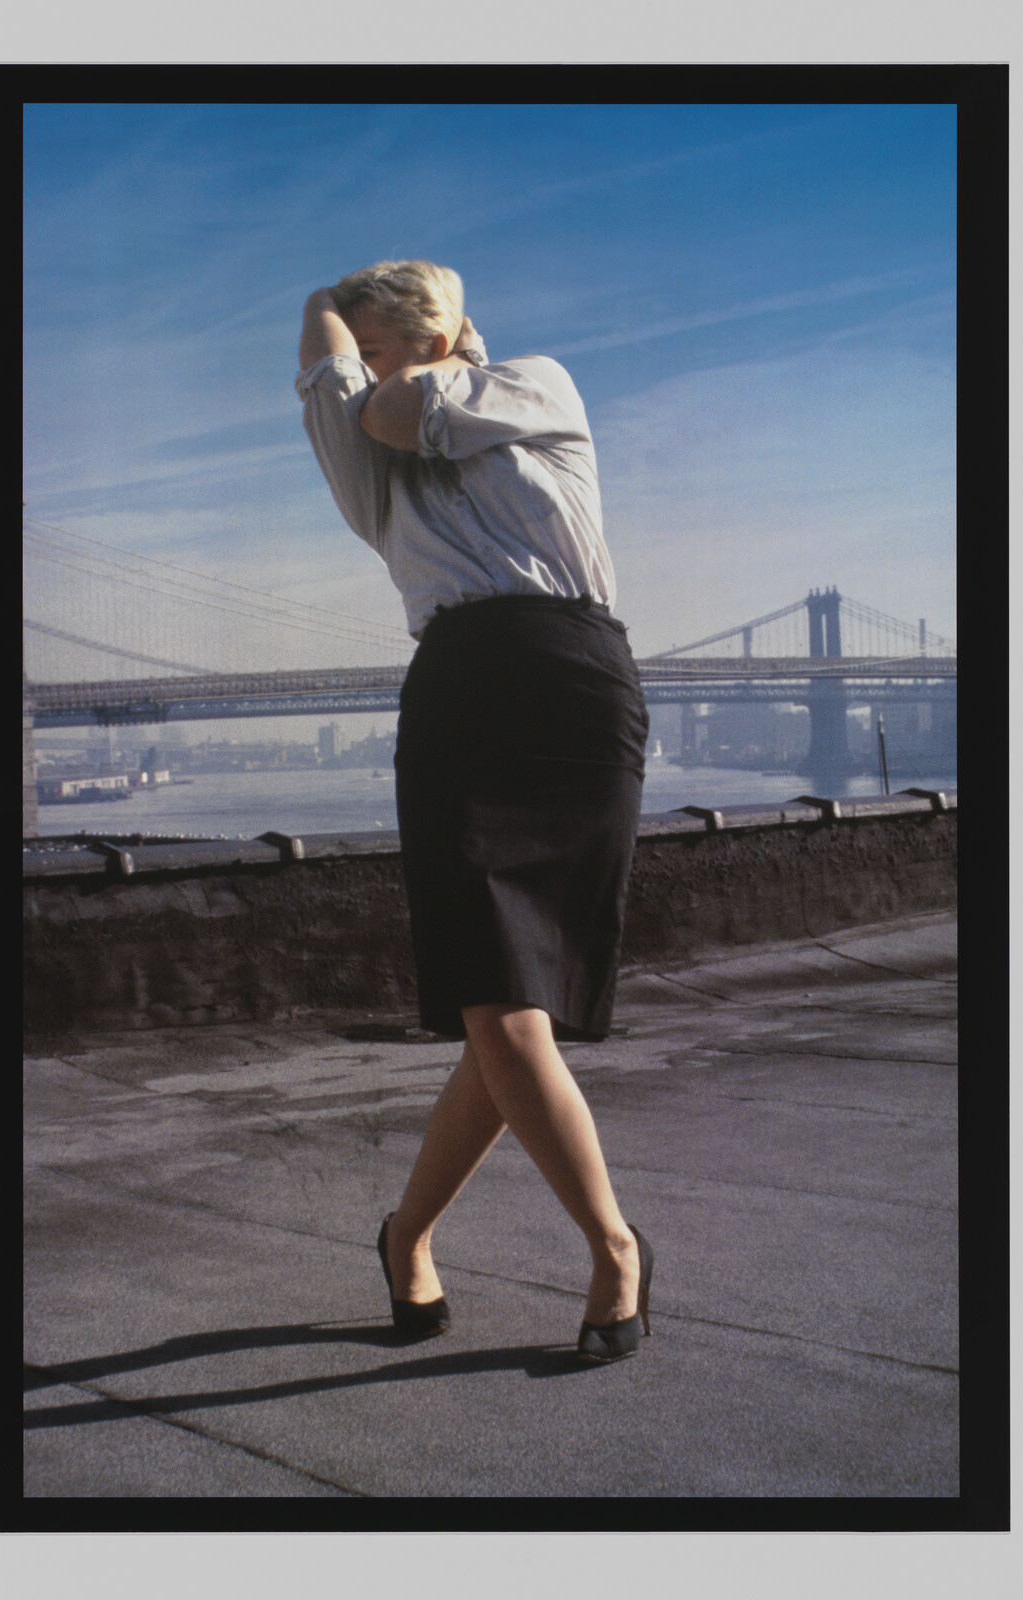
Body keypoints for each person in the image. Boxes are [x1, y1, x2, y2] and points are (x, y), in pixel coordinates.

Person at [296, 260, 652, 1364]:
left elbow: (407, 407)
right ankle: (615, 1250)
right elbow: (341, 396)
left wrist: (395, 373)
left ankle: (405, 1239)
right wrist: (321, 310)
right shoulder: (370, 468)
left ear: (428, 336)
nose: (355, 382)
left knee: (509, 1018)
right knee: (497, 1012)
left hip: (574, 684)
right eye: (347, 359)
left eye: (371, 351)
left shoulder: (535, 383)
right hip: (458, 697)